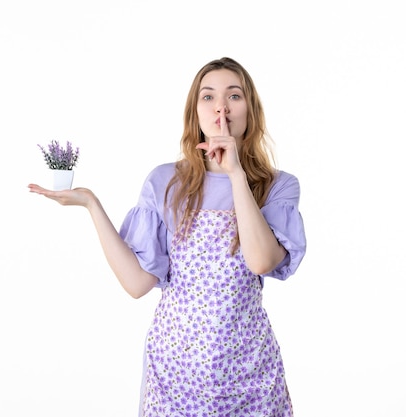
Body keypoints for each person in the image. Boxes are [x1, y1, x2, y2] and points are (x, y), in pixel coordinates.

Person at [28, 57, 306, 417]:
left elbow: (261, 261)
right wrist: (92, 205)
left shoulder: (278, 186)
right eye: (208, 97)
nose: (221, 106)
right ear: (195, 113)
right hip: (176, 374)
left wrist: (236, 174)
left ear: (250, 111)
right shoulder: (165, 182)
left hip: (249, 375)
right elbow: (137, 283)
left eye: (234, 96)